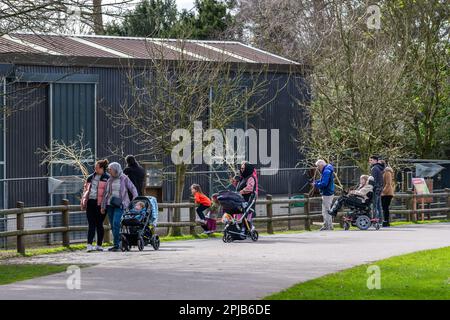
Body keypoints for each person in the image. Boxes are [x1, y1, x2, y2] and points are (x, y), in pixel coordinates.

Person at [101, 162, 138, 252]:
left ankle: (118, 243)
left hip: (120, 204)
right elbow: (105, 194)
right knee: (113, 226)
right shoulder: (109, 179)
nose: (109, 171)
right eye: (108, 169)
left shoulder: (124, 178)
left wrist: (135, 199)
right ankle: (116, 244)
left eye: (110, 169)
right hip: (110, 204)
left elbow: (133, 188)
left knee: (116, 222)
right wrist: (103, 206)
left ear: (116, 169)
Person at [81, 159, 110, 252]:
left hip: (101, 204)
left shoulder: (107, 178)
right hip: (90, 203)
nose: (95, 169)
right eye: (95, 167)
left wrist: (104, 205)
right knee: (91, 224)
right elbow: (85, 191)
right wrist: (83, 202)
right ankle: (89, 245)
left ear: (102, 168)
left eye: (97, 167)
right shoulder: (90, 177)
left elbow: (108, 193)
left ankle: (99, 245)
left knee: (99, 225)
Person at [314, 159, 335, 231]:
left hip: (327, 193)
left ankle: (327, 226)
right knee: (326, 210)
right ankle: (328, 226)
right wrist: (317, 182)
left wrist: (316, 184)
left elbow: (324, 183)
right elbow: (324, 180)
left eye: (318, 167)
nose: (318, 168)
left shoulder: (326, 171)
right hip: (328, 192)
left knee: (326, 211)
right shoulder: (327, 170)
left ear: (321, 165)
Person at [369, 155, 385, 224]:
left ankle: (375, 220)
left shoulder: (375, 168)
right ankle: (380, 220)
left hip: (376, 188)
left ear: (375, 161)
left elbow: (373, 179)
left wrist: (370, 187)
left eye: (371, 160)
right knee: (378, 205)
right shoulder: (379, 168)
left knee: (375, 205)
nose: (370, 162)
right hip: (379, 188)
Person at [380, 160, 395, 227]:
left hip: (387, 193)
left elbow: (388, 183)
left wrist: (383, 191)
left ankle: (386, 221)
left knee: (385, 207)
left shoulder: (387, 172)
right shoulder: (383, 172)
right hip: (385, 193)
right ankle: (385, 221)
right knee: (384, 207)